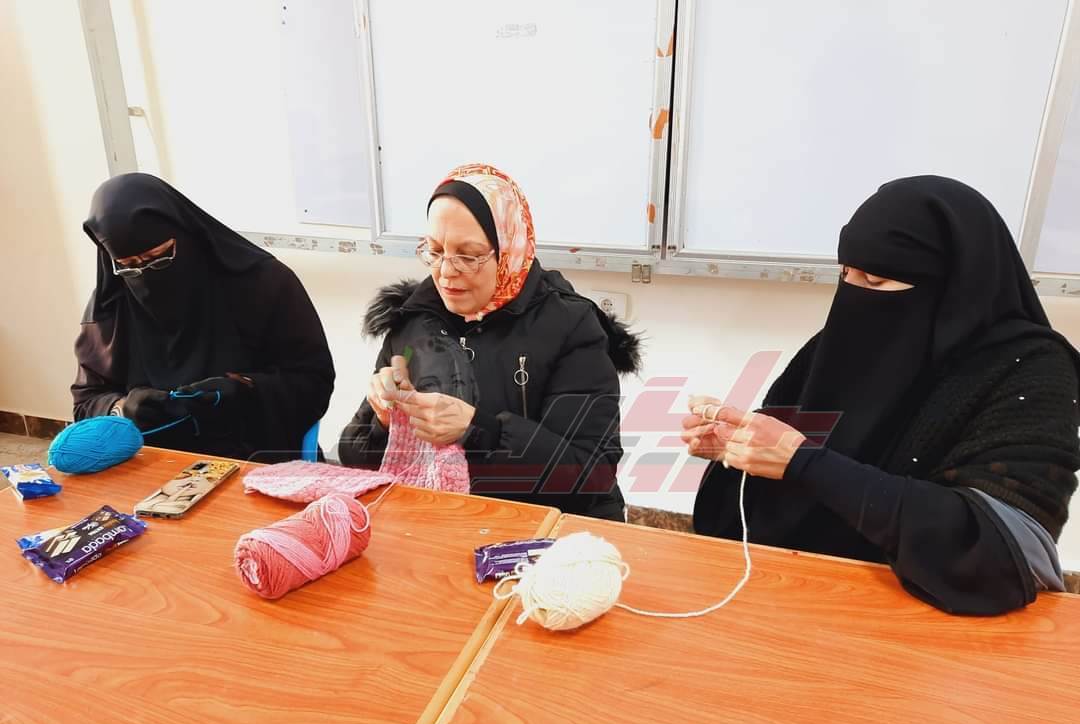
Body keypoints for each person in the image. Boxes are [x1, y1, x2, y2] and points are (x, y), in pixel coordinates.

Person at [684, 176, 1080, 615]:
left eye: (874, 280)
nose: (854, 294)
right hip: (798, 594)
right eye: (845, 274)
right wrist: (738, 450)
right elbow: (785, 471)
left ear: (951, 283)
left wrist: (802, 462)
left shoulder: (1030, 370)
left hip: (930, 623)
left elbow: (1000, 551)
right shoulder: (839, 342)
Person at [338, 163, 641, 519]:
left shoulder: (570, 326)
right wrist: (383, 420)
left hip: (548, 528)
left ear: (509, 249)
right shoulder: (415, 320)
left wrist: (478, 430)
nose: (446, 271)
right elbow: (355, 458)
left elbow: (591, 477)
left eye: (468, 256)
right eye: (434, 251)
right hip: (451, 520)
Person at [74, 173, 335, 461]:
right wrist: (121, 409)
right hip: (147, 460)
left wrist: (243, 390)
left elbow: (314, 382)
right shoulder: (111, 305)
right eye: (130, 267)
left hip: (251, 455)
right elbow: (86, 401)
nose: (146, 276)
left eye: (160, 258)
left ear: (185, 233)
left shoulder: (262, 283)